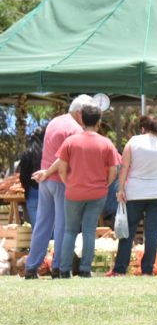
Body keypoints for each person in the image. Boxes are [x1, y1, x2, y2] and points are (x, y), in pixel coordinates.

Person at [37, 105, 120, 278]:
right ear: (99, 122)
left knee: (70, 231)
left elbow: (61, 168)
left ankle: (65, 269)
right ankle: (84, 269)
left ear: (81, 119)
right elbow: (114, 171)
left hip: (74, 192)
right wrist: (104, 185)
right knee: (89, 230)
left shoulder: (71, 141)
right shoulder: (106, 143)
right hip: (97, 193)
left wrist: (69, 183)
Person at [25, 94, 96, 279]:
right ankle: (58, 267)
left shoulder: (55, 121)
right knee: (63, 226)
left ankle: (31, 267)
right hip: (60, 180)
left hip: (45, 181)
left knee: (42, 224)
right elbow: (64, 157)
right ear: (80, 113)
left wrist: (46, 172)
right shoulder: (75, 129)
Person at [107, 115, 157, 276]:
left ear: (143, 128)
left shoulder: (134, 142)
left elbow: (124, 167)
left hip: (136, 191)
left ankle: (120, 268)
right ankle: (147, 269)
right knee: (152, 231)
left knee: (128, 231)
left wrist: (121, 189)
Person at [18, 127, 45, 226]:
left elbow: (23, 175)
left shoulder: (27, 153)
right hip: (48, 190)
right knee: (50, 224)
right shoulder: (48, 152)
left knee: (36, 226)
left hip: (32, 191)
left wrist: (26, 188)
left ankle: (39, 241)